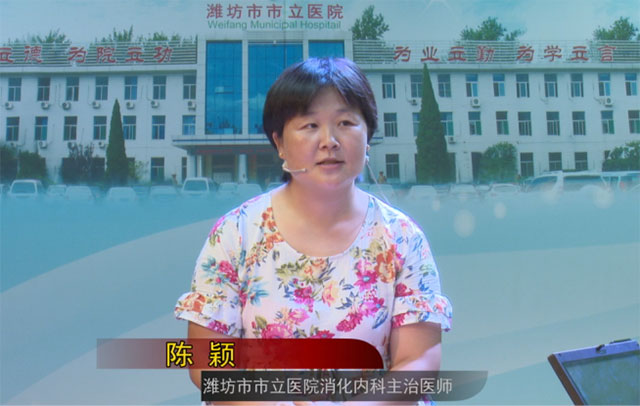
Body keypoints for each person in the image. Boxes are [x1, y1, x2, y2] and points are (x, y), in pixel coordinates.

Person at [174, 58, 452, 405]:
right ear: (279, 142)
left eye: (345, 122)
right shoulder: (236, 233)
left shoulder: (402, 237)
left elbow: (419, 361)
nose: (329, 141)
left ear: (368, 137)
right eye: (309, 125)